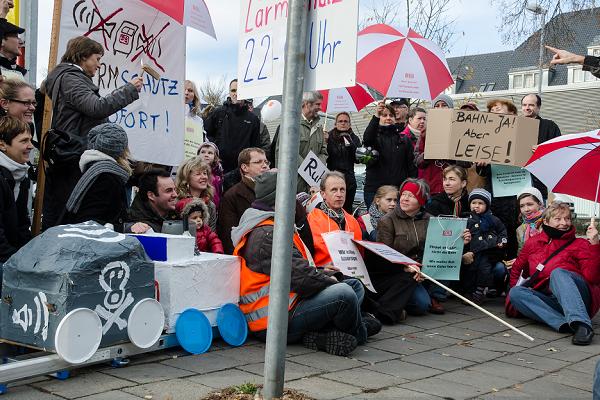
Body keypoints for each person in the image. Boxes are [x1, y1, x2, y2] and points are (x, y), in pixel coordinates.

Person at [232, 171, 380, 356]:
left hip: (290, 302)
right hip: (274, 320)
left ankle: (323, 333)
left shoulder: (273, 224)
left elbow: (296, 270)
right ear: (279, 197)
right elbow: (301, 278)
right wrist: (329, 280)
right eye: (291, 194)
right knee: (344, 293)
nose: (295, 201)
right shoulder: (268, 234)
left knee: (354, 285)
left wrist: (323, 273)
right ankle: (359, 331)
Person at [42, 36, 143, 230]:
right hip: (74, 153)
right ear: (82, 56)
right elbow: (96, 108)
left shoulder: (69, 77)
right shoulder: (72, 78)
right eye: (97, 59)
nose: (99, 65)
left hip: (72, 151)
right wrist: (129, 90)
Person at [507, 202, 600, 346]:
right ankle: (565, 324)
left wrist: (594, 245)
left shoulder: (580, 244)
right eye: (558, 219)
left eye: (567, 218)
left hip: (580, 298)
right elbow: (517, 269)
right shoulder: (533, 243)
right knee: (515, 293)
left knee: (558, 273)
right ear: (546, 221)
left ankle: (582, 325)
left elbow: (592, 278)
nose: (564, 223)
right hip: (551, 299)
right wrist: (511, 299)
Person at [377, 179, 472, 315]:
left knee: (448, 259)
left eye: (411, 195)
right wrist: (406, 266)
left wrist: (461, 240)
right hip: (400, 272)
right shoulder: (387, 220)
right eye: (404, 194)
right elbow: (383, 255)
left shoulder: (431, 220)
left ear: (421, 200)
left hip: (424, 269)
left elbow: (442, 247)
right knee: (421, 305)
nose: (405, 198)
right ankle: (398, 303)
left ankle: (434, 295)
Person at [62, 123, 131, 231]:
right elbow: (88, 221)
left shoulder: (90, 169)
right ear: (121, 150)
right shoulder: (107, 178)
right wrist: (123, 228)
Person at [362, 102, 416, 208]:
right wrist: (376, 115)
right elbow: (367, 138)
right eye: (384, 115)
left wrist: (410, 189)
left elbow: (411, 167)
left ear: (395, 119)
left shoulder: (404, 140)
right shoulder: (374, 138)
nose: (388, 118)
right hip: (375, 192)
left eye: (391, 115)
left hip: (398, 192)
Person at [273, 90, 328, 194]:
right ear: (307, 104)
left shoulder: (319, 128)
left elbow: (324, 152)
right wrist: (307, 168)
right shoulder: (290, 124)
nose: (320, 108)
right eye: (318, 104)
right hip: (293, 185)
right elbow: (285, 152)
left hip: (313, 187)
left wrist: (316, 166)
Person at [218, 147, 270, 254]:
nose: (265, 165)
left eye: (266, 161)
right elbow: (228, 237)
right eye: (258, 162)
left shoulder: (278, 190)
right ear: (245, 167)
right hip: (248, 258)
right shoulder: (232, 196)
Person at [204, 79, 261, 173]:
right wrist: (216, 150)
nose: (236, 93)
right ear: (229, 93)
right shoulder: (218, 113)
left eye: (239, 90)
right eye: (233, 90)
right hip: (218, 168)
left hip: (242, 170)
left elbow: (255, 147)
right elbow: (206, 136)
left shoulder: (253, 119)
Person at [307, 171, 363, 267]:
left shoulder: (353, 221)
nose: (339, 194)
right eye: (334, 190)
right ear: (323, 194)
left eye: (342, 190)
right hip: (324, 275)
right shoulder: (312, 220)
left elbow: (361, 254)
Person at [464, 189, 508, 303]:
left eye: (480, 203)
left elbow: (502, 231)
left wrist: (501, 241)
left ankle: (480, 291)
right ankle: (469, 292)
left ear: (487, 205)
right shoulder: (466, 218)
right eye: (474, 203)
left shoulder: (492, 219)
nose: (476, 206)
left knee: (484, 270)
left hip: (488, 250)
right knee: (471, 271)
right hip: (473, 251)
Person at [0, 116, 32, 269]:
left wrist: (27, 255)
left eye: (30, 140)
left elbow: (23, 223)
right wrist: (14, 262)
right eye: (24, 141)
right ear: (3, 144)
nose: (30, 146)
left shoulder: (22, 176)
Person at [520, 93, 562, 200]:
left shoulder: (550, 127)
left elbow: (559, 152)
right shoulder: (513, 126)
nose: (527, 108)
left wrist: (543, 151)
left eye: (531, 105)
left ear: (538, 107)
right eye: (524, 105)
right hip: (513, 182)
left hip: (538, 184)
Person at [326, 112, 361, 213]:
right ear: (335, 124)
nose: (343, 123)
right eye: (340, 121)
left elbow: (358, 159)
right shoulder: (329, 137)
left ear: (350, 124)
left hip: (349, 179)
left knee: (347, 210)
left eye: (346, 121)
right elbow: (325, 157)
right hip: (332, 177)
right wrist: (325, 142)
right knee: (331, 208)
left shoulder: (354, 138)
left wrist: (350, 143)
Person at [126, 169, 178, 234]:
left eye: (174, 189)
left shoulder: (179, 216)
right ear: (151, 195)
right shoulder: (136, 225)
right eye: (168, 191)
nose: (175, 195)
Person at [174, 156, 217, 231]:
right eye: (198, 174)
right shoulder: (176, 202)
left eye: (205, 173)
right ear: (186, 178)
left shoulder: (210, 205)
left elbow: (212, 233)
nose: (204, 177)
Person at [515, 187, 545, 253]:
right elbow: (521, 252)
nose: (526, 209)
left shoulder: (549, 223)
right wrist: (518, 261)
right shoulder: (520, 230)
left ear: (540, 204)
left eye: (530, 204)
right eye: (522, 206)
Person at [197, 142, 223, 208]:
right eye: (203, 152)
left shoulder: (218, 175)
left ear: (215, 157)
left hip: (215, 209)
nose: (206, 155)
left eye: (210, 153)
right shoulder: (193, 172)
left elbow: (220, 193)